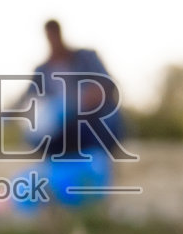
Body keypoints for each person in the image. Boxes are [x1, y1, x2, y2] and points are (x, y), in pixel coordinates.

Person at [17, 20, 127, 208]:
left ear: (60, 34)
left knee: (109, 116)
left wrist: (82, 100)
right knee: (37, 127)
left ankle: (100, 168)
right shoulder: (42, 70)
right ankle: (60, 171)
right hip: (60, 128)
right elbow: (26, 98)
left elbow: (108, 85)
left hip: (90, 119)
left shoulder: (87, 57)